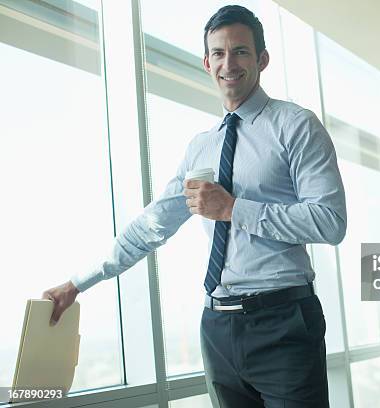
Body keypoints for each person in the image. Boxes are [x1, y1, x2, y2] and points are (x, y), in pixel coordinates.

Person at [42, 5, 346, 408]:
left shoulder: (296, 125)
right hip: (217, 326)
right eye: (218, 53)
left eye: (240, 51)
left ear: (262, 59)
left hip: (284, 321)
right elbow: (154, 225)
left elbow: (330, 222)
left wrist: (234, 208)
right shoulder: (201, 147)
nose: (228, 63)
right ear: (206, 63)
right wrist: (78, 282)